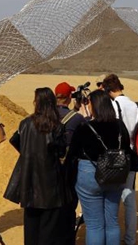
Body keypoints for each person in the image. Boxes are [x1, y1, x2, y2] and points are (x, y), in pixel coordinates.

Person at [5, 87, 72, 245]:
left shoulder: (25, 123)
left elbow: (14, 140)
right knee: (49, 228)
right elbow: (61, 151)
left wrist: (28, 152)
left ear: (37, 102)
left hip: (29, 182)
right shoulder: (56, 126)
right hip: (51, 184)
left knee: (31, 227)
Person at [67, 89, 131, 245]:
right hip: (115, 175)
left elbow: (72, 154)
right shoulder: (120, 125)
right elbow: (127, 149)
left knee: (94, 225)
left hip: (90, 176)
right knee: (112, 223)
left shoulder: (84, 127)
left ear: (93, 105)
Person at [104, 73, 138, 245]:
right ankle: (130, 240)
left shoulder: (112, 105)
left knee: (110, 197)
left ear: (108, 90)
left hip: (114, 157)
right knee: (129, 199)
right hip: (133, 156)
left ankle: (109, 238)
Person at [54, 81, 88, 245]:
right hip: (69, 170)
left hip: (48, 170)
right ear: (69, 98)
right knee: (68, 208)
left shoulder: (46, 116)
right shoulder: (78, 119)